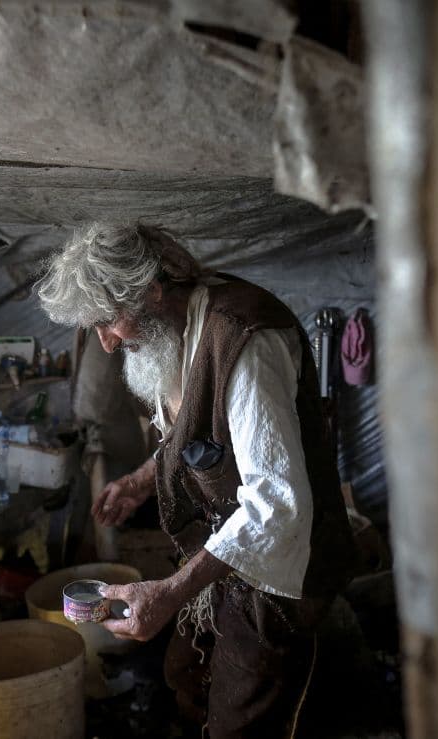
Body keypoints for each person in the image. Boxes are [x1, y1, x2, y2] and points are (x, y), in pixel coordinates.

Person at [37, 224, 357, 737]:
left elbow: (275, 503)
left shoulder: (243, 340)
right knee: (184, 675)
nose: (107, 343)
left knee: (244, 719)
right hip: (223, 555)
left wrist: (170, 591)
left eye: (108, 322)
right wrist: (143, 480)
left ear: (150, 293)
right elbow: (195, 436)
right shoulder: (176, 328)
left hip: (281, 573)